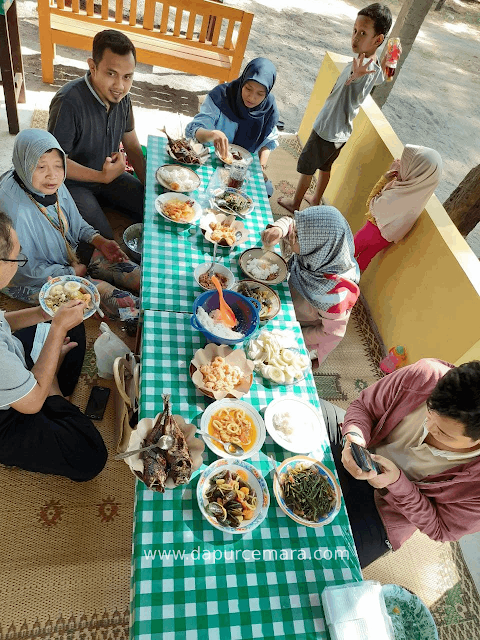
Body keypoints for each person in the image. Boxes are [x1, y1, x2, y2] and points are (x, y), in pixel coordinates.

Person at [322, 358, 480, 568]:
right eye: (429, 412)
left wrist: (396, 484)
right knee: (292, 411)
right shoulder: (426, 376)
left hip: (385, 512)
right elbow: (364, 407)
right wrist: (354, 438)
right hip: (362, 446)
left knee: (330, 567)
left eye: (443, 433)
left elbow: (441, 528)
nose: (429, 426)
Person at [0, 210, 107, 481]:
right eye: (17, 257)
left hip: (10, 367)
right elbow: (32, 404)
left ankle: (46, 380)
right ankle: (53, 387)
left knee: (74, 329)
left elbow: (4, 323)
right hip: (12, 414)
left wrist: (45, 313)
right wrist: (56, 330)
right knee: (89, 454)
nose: (20, 263)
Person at [0, 129, 140, 320]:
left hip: (69, 254)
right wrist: (71, 272)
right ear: (25, 164)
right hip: (35, 278)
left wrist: (98, 241)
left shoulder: (52, 184)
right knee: (121, 303)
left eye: (58, 166)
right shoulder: (13, 212)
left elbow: (74, 222)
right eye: (41, 167)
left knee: (136, 275)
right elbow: (21, 269)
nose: (52, 176)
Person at [278, 3, 392, 213]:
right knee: (325, 168)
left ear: (378, 40)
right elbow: (378, 78)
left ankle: (295, 203)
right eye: (355, 30)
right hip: (341, 133)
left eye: (363, 33)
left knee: (307, 168)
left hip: (327, 130)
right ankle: (316, 198)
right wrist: (384, 63)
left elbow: (356, 80)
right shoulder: (372, 65)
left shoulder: (362, 69)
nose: (355, 37)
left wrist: (354, 76)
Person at [48, 29, 145, 240]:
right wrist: (101, 176)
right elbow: (54, 162)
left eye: (127, 77)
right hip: (73, 185)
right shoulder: (68, 102)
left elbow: (132, 146)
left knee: (154, 210)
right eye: (111, 74)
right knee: (105, 243)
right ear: (92, 67)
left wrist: (152, 191)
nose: (120, 86)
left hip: (110, 177)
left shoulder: (123, 99)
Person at [261, 206, 360, 367]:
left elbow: (331, 333)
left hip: (301, 331)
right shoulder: (321, 256)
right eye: (297, 230)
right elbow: (291, 224)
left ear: (318, 250)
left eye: (298, 236)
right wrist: (279, 229)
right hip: (291, 306)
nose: (292, 235)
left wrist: (295, 335)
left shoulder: (335, 295)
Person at [185, 58, 279, 197]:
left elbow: (269, 140)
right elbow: (194, 129)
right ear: (242, 81)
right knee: (196, 186)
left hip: (243, 166)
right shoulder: (222, 96)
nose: (252, 98)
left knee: (263, 192)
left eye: (260, 94)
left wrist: (261, 166)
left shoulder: (268, 108)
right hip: (211, 159)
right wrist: (212, 134)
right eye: (248, 89)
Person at [354, 145, 442, 270]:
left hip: (369, 231)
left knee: (347, 254)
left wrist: (385, 178)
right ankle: (351, 284)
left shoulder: (395, 193)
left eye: (407, 165)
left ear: (414, 171)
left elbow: (370, 203)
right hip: (385, 239)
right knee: (365, 259)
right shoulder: (418, 198)